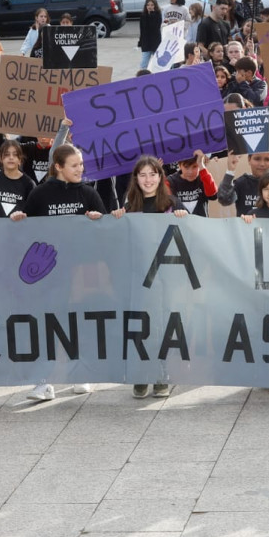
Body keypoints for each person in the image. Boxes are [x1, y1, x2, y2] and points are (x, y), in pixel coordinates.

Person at [11, 144, 106, 401]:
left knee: (78, 322)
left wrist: (99, 221)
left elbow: (107, 233)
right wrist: (19, 218)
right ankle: (44, 381)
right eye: (74, 165)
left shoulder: (89, 194)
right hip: (48, 275)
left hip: (80, 274)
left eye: (81, 165)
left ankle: (80, 372)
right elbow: (25, 229)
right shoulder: (39, 193)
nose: (80, 169)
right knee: (48, 325)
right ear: (59, 167)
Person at [119, 155, 187, 399]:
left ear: (160, 177)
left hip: (165, 277)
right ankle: (141, 374)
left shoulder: (172, 204)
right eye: (143, 174)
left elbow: (191, 236)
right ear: (136, 179)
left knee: (161, 325)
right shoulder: (129, 207)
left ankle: (161, 374)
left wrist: (183, 219)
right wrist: (108, 219)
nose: (148, 179)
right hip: (138, 277)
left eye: (153, 174)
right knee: (140, 325)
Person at [0, 140, 36, 218]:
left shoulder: (29, 184)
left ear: (20, 159)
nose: (11, 158)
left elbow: (33, 214)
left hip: (19, 229)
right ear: (0, 158)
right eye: (7, 154)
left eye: (15, 155)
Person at [138, 0, 163, 71]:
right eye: (148, 5)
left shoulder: (158, 14)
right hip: (146, 42)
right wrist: (140, 42)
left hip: (155, 42)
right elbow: (142, 29)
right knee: (143, 64)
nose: (150, 7)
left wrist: (152, 13)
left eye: (152, 5)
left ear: (155, 6)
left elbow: (155, 27)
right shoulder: (143, 15)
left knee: (157, 63)